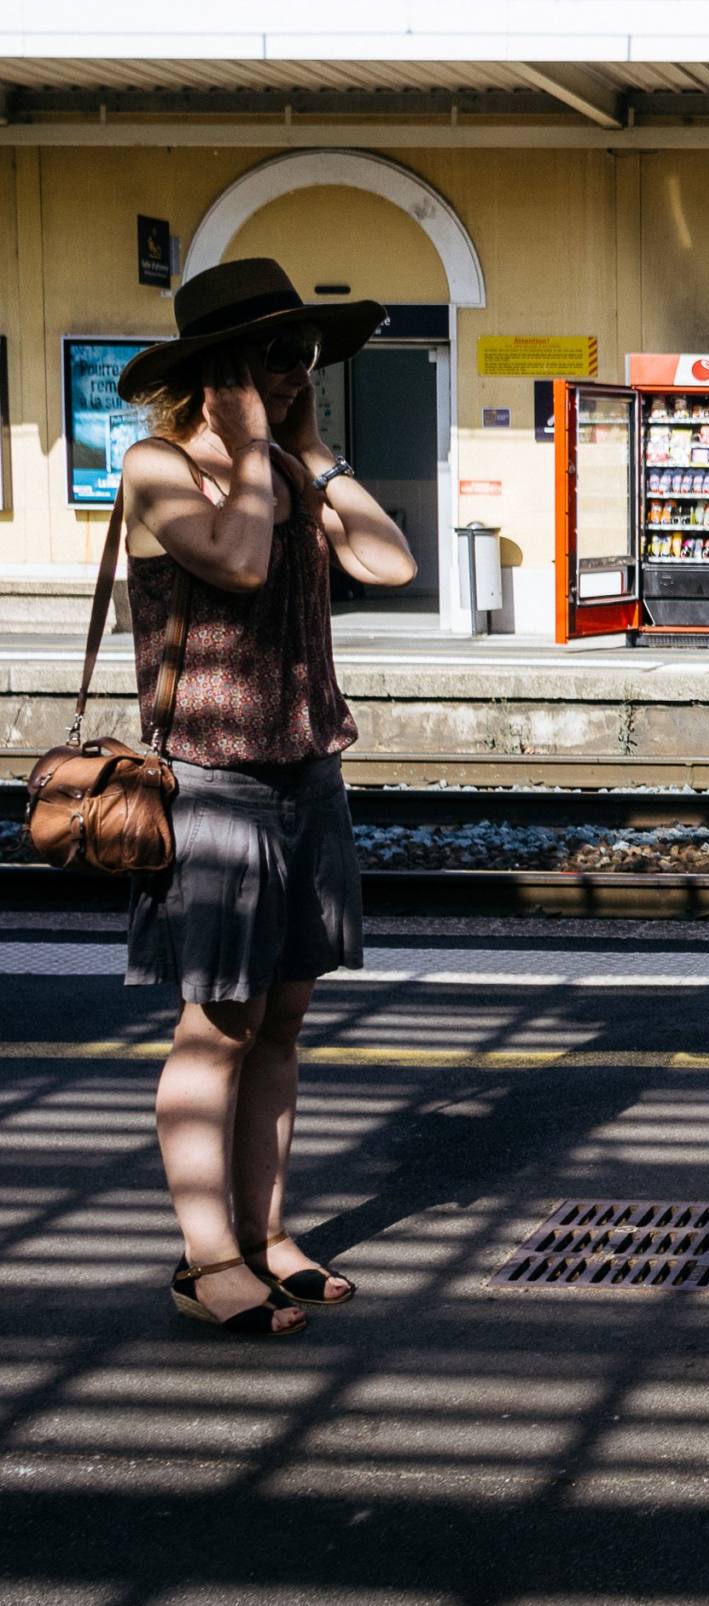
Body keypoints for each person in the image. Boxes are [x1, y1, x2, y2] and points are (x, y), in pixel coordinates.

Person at [114, 257, 420, 1338]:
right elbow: (239, 566)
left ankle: (268, 1231)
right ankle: (207, 1259)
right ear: (216, 372)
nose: (298, 376)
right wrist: (251, 445)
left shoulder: (291, 471)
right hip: (211, 783)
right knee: (216, 1026)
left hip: (304, 773)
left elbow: (388, 563)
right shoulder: (158, 467)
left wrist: (318, 460)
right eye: (277, 356)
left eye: (306, 357)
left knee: (281, 1018)